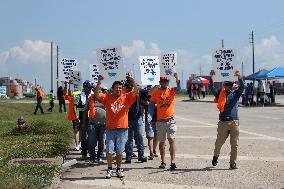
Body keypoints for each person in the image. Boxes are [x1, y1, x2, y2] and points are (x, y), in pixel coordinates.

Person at [94, 75, 138, 179]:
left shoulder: (126, 97)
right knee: (109, 151)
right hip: (110, 129)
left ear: (122, 89)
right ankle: (109, 169)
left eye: (120, 88)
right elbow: (96, 94)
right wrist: (99, 82)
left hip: (122, 129)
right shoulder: (107, 97)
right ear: (112, 89)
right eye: (116, 87)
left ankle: (118, 169)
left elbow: (136, 92)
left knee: (119, 152)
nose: (118, 89)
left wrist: (132, 80)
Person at [209, 70, 244, 170]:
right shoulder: (219, 94)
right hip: (223, 122)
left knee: (235, 144)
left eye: (230, 84)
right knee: (219, 143)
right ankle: (215, 156)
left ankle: (232, 163)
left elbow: (242, 87)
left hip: (234, 122)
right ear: (224, 85)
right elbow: (211, 88)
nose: (228, 86)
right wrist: (211, 77)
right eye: (227, 84)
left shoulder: (236, 94)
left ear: (232, 85)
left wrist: (239, 77)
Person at [148, 73, 181, 170]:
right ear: (159, 82)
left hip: (171, 120)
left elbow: (178, 89)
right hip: (160, 121)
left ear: (168, 82)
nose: (164, 82)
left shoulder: (171, 91)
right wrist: (149, 117)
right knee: (162, 142)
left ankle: (173, 161)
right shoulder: (155, 93)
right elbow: (151, 106)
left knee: (171, 140)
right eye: (162, 81)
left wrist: (177, 77)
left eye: (166, 81)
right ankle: (163, 161)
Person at [124, 79, 148, 164]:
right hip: (127, 118)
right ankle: (128, 157)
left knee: (140, 138)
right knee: (128, 139)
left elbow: (147, 92)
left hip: (137, 118)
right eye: (127, 85)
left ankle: (141, 156)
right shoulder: (123, 93)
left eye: (131, 84)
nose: (129, 86)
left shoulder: (138, 91)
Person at [76, 80, 94, 160]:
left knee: (91, 137)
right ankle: (84, 153)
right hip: (82, 119)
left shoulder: (93, 95)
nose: (90, 89)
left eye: (91, 88)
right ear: (84, 87)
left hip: (92, 119)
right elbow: (76, 107)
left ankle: (91, 153)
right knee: (83, 137)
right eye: (88, 88)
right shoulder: (80, 96)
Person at [63, 81, 80, 151]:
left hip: (80, 116)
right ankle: (77, 145)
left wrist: (68, 85)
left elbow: (68, 93)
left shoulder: (78, 94)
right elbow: (65, 94)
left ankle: (79, 144)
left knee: (79, 131)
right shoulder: (75, 95)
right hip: (75, 116)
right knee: (77, 131)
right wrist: (67, 85)